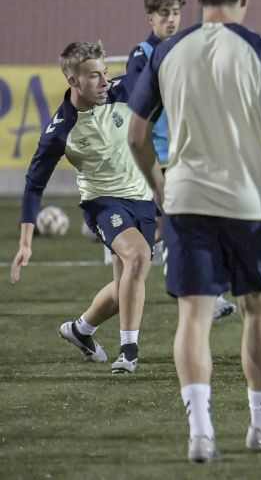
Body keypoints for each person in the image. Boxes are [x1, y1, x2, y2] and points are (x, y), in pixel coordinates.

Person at [128, 0, 261, 463]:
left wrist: (157, 182)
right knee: (258, 311)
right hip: (250, 203)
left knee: (193, 316)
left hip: (186, 201)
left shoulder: (166, 52)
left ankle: (201, 434)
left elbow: (136, 135)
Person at [11, 41, 156, 375]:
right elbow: (34, 185)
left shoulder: (123, 89)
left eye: (105, 73)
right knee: (137, 257)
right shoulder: (60, 130)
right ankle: (129, 352)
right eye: (94, 76)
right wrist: (25, 242)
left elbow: (161, 72)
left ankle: (80, 329)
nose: (105, 82)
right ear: (73, 81)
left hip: (145, 198)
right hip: (103, 203)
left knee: (126, 290)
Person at [127, 0, 236, 322]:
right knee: (152, 241)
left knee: (191, 223)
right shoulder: (141, 55)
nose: (172, 20)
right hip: (156, 155)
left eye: (176, 13)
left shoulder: (184, 50)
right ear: (151, 18)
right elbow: (139, 107)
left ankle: (206, 292)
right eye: (164, 14)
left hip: (186, 153)